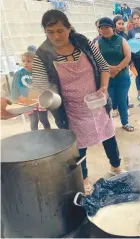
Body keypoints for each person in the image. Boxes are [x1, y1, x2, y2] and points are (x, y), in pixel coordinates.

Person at [28, 10, 124, 193]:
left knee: (109, 135)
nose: (55, 36)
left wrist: (103, 88)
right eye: (50, 32)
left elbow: (103, 66)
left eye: (60, 31)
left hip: (97, 101)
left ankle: (116, 167)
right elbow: (40, 85)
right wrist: (31, 98)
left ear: (69, 28)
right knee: (77, 148)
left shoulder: (83, 42)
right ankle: (84, 179)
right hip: (71, 110)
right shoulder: (43, 54)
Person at [96, 17, 134, 132]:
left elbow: (128, 57)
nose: (104, 30)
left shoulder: (121, 40)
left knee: (122, 100)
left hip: (122, 77)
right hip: (107, 79)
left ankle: (125, 122)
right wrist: (109, 69)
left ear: (112, 27)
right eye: (101, 28)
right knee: (109, 101)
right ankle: (108, 125)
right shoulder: (98, 42)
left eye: (106, 27)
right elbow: (96, 59)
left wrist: (117, 69)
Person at [11, 52, 51, 131]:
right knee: (34, 121)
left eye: (29, 61)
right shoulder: (19, 74)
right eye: (24, 61)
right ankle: (34, 138)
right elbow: (15, 87)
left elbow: (46, 85)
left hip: (40, 100)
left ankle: (49, 135)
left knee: (44, 119)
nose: (25, 63)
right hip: (27, 101)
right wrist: (15, 99)